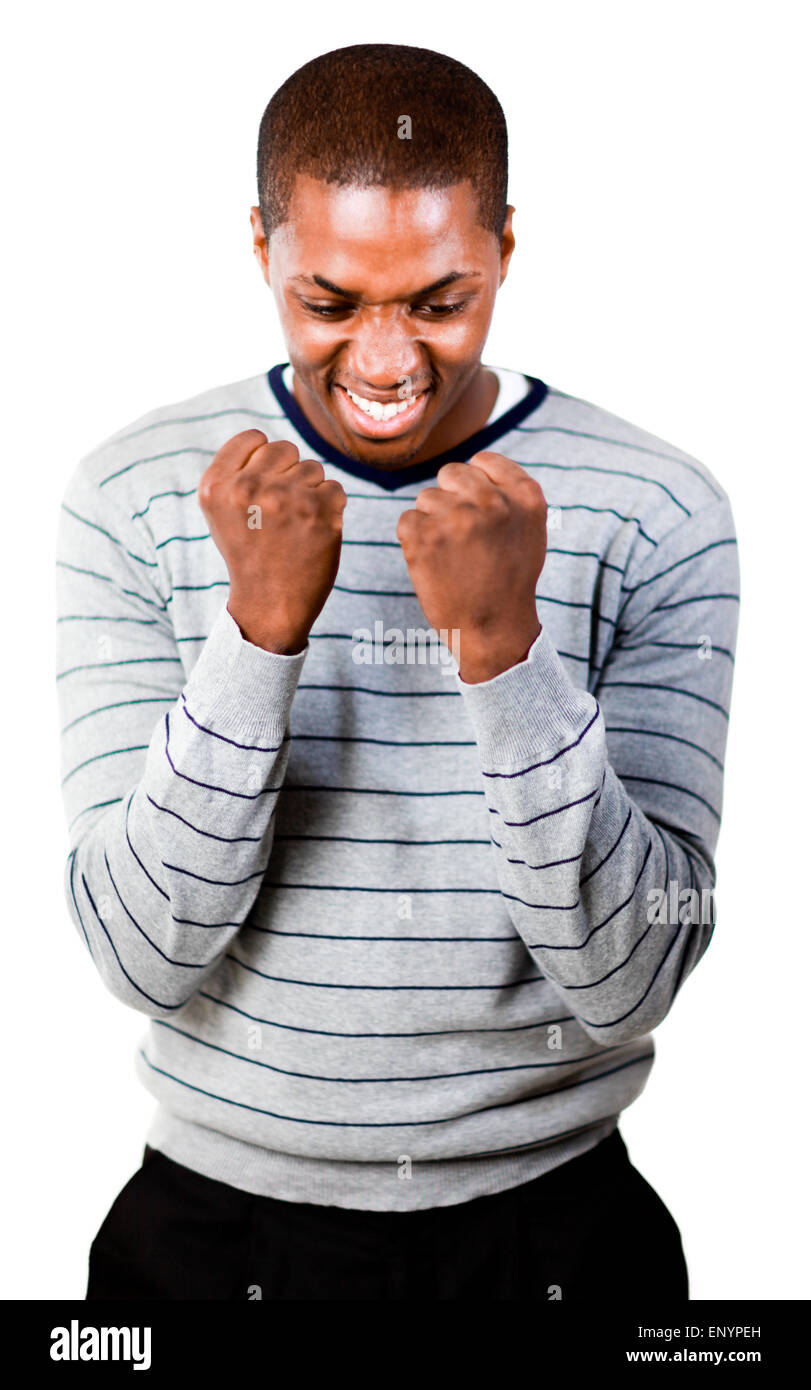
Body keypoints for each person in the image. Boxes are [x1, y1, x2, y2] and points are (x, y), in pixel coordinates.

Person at [55, 43, 739, 1301]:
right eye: (329, 302)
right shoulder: (132, 492)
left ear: (506, 250)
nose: (384, 362)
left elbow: (635, 971)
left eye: (439, 299)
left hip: (555, 1233)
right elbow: (139, 956)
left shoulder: (658, 505)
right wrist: (256, 637)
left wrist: (504, 651)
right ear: (259, 248)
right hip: (214, 1242)